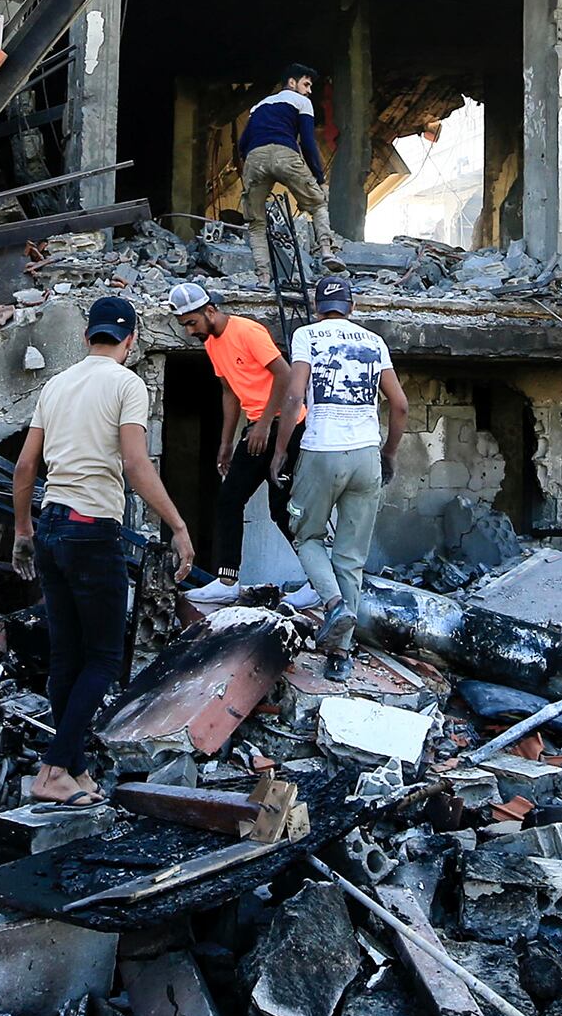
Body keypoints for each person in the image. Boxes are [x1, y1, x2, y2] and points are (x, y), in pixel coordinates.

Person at [8, 296, 197, 803]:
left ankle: (75, 768)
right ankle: (52, 773)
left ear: (86, 337)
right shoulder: (127, 384)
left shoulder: (56, 385)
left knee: (66, 658)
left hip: (50, 527)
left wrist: (23, 531)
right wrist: (177, 526)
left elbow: (25, 468)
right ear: (131, 339)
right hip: (92, 533)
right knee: (105, 659)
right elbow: (136, 465)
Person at [270, 276, 406, 679]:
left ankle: (333, 606)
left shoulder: (307, 336)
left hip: (321, 452)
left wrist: (280, 449)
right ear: (352, 305)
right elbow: (399, 405)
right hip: (366, 454)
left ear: (317, 306)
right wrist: (389, 453)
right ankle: (340, 659)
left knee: (307, 536)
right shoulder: (374, 342)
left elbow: (294, 397)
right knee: (351, 557)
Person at [165, 281, 305, 608]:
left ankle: (319, 579)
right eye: (184, 324)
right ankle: (228, 581)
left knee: (280, 509)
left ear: (210, 310)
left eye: (192, 322)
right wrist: (226, 442)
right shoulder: (213, 344)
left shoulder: (248, 332)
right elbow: (229, 393)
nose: (189, 331)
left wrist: (266, 424)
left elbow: (284, 375)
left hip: (288, 427)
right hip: (257, 426)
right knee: (229, 500)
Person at [236, 62, 343, 278]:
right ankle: (326, 251)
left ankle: (263, 277)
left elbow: (243, 143)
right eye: (306, 84)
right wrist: (319, 178)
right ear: (292, 82)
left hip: (255, 159)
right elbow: (308, 143)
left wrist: (252, 165)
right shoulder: (301, 101)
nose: (309, 90)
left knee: (256, 223)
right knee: (318, 203)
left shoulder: (258, 106)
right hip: (285, 154)